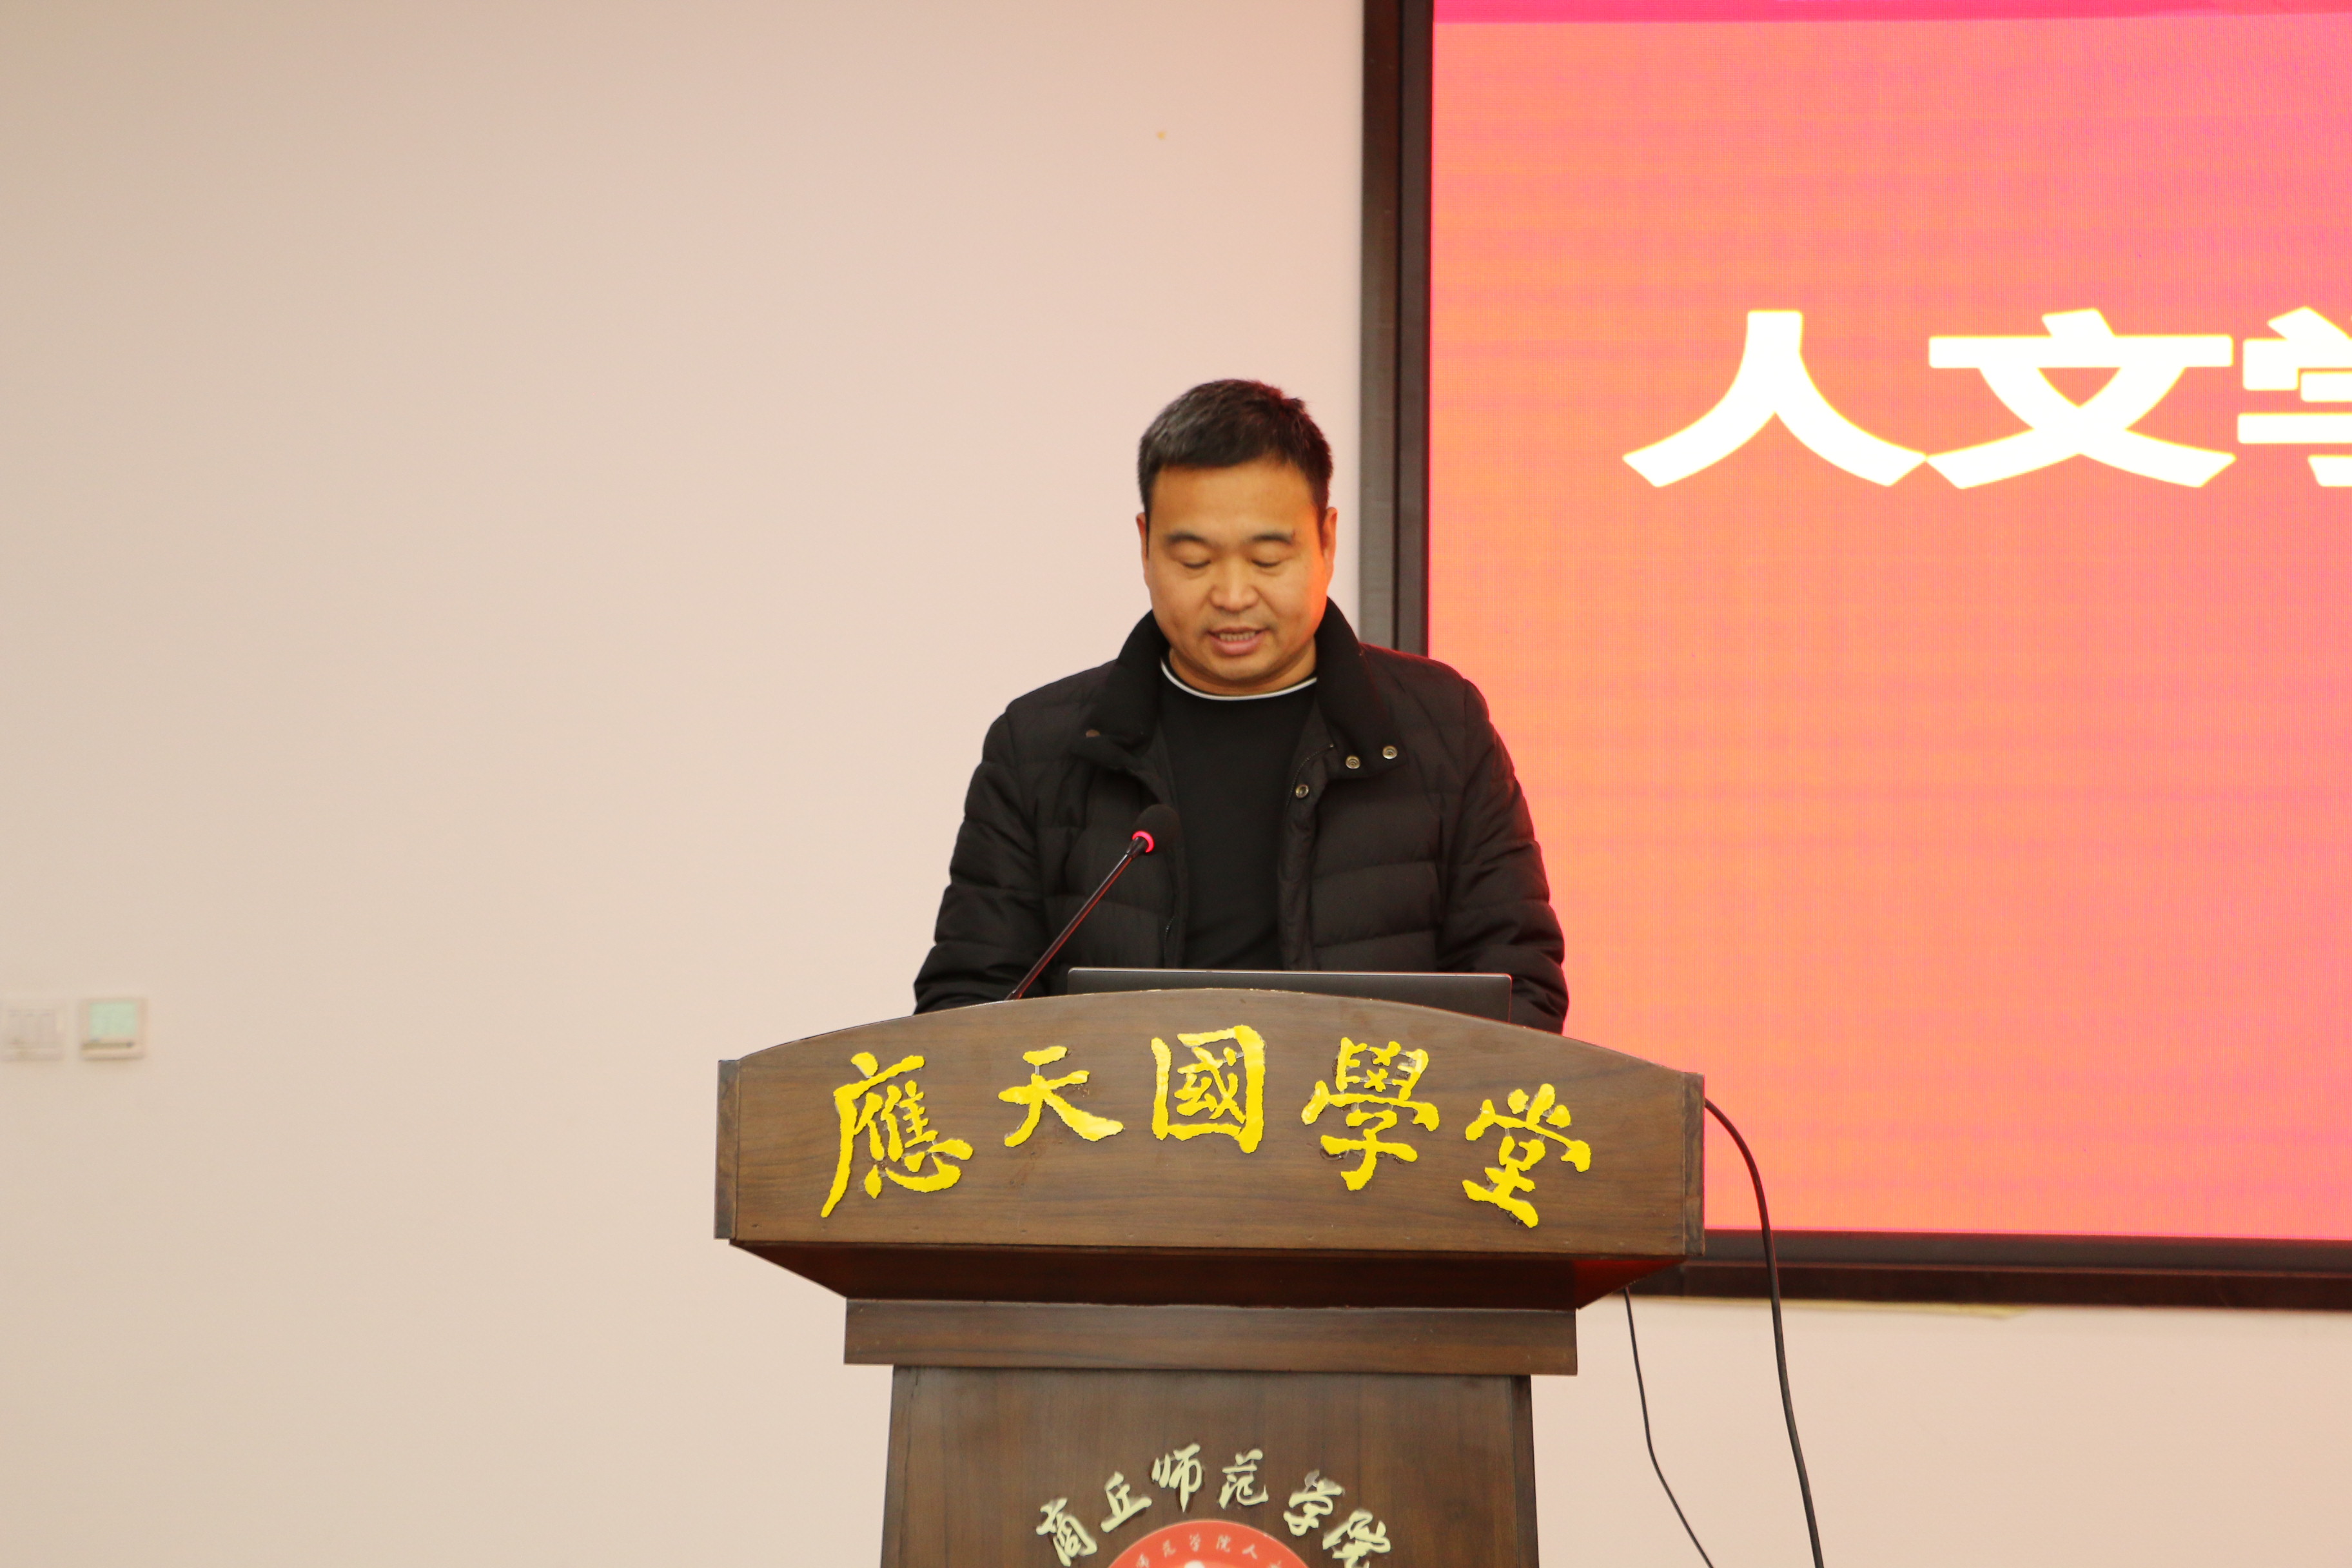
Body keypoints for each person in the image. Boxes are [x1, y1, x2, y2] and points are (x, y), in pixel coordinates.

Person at [913, 379, 1568, 1030]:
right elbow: (967, 1005)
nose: (1232, 595)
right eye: (1195, 562)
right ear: (1145, 545)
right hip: (1118, 1103)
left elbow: (1521, 991)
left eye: (1267, 559)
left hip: (1368, 1101)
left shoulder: (1441, 727)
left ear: (1326, 541)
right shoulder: (1039, 748)